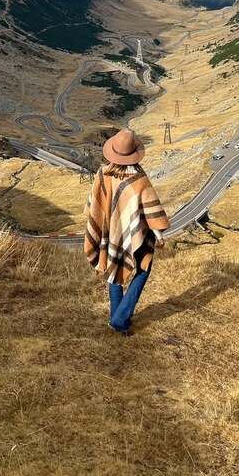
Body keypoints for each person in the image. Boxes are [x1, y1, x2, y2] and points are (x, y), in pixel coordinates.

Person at [84, 127, 170, 335]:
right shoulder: (140, 180)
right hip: (135, 236)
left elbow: (93, 205)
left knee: (114, 270)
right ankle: (120, 319)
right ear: (134, 154)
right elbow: (151, 212)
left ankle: (117, 317)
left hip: (110, 232)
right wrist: (159, 234)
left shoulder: (102, 174)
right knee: (143, 269)